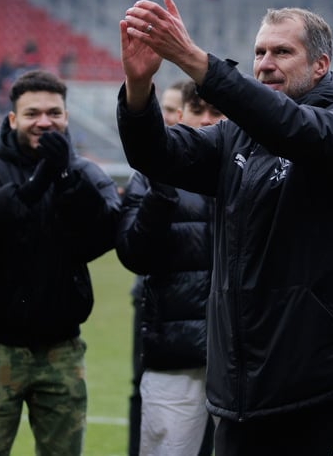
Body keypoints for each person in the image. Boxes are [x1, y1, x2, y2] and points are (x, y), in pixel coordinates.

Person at [117, 0, 333, 456]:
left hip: (332, 389)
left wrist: (192, 58)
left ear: (321, 65)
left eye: (282, 52)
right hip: (246, 400)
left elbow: (293, 128)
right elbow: (156, 155)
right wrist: (138, 87)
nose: (265, 63)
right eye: (259, 52)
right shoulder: (235, 138)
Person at [0, 69, 121, 456]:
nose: (44, 121)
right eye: (32, 113)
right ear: (12, 119)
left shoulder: (83, 173)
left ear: (66, 116)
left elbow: (108, 230)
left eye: (53, 112)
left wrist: (64, 179)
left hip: (62, 349)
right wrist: (30, 189)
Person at [117, 80, 223, 456]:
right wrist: (162, 194)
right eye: (199, 111)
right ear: (180, 116)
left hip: (243, 360)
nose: (207, 121)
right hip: (175, 357)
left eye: (217, 113)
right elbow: (132, 254)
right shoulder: (150, 175)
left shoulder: (253, 174)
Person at [127, 77, 187, 456]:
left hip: (201, 319)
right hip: (155, 302)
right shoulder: (146, 174)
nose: (164, 117)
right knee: (142, 390)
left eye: (171, 109)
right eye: (162, 109)